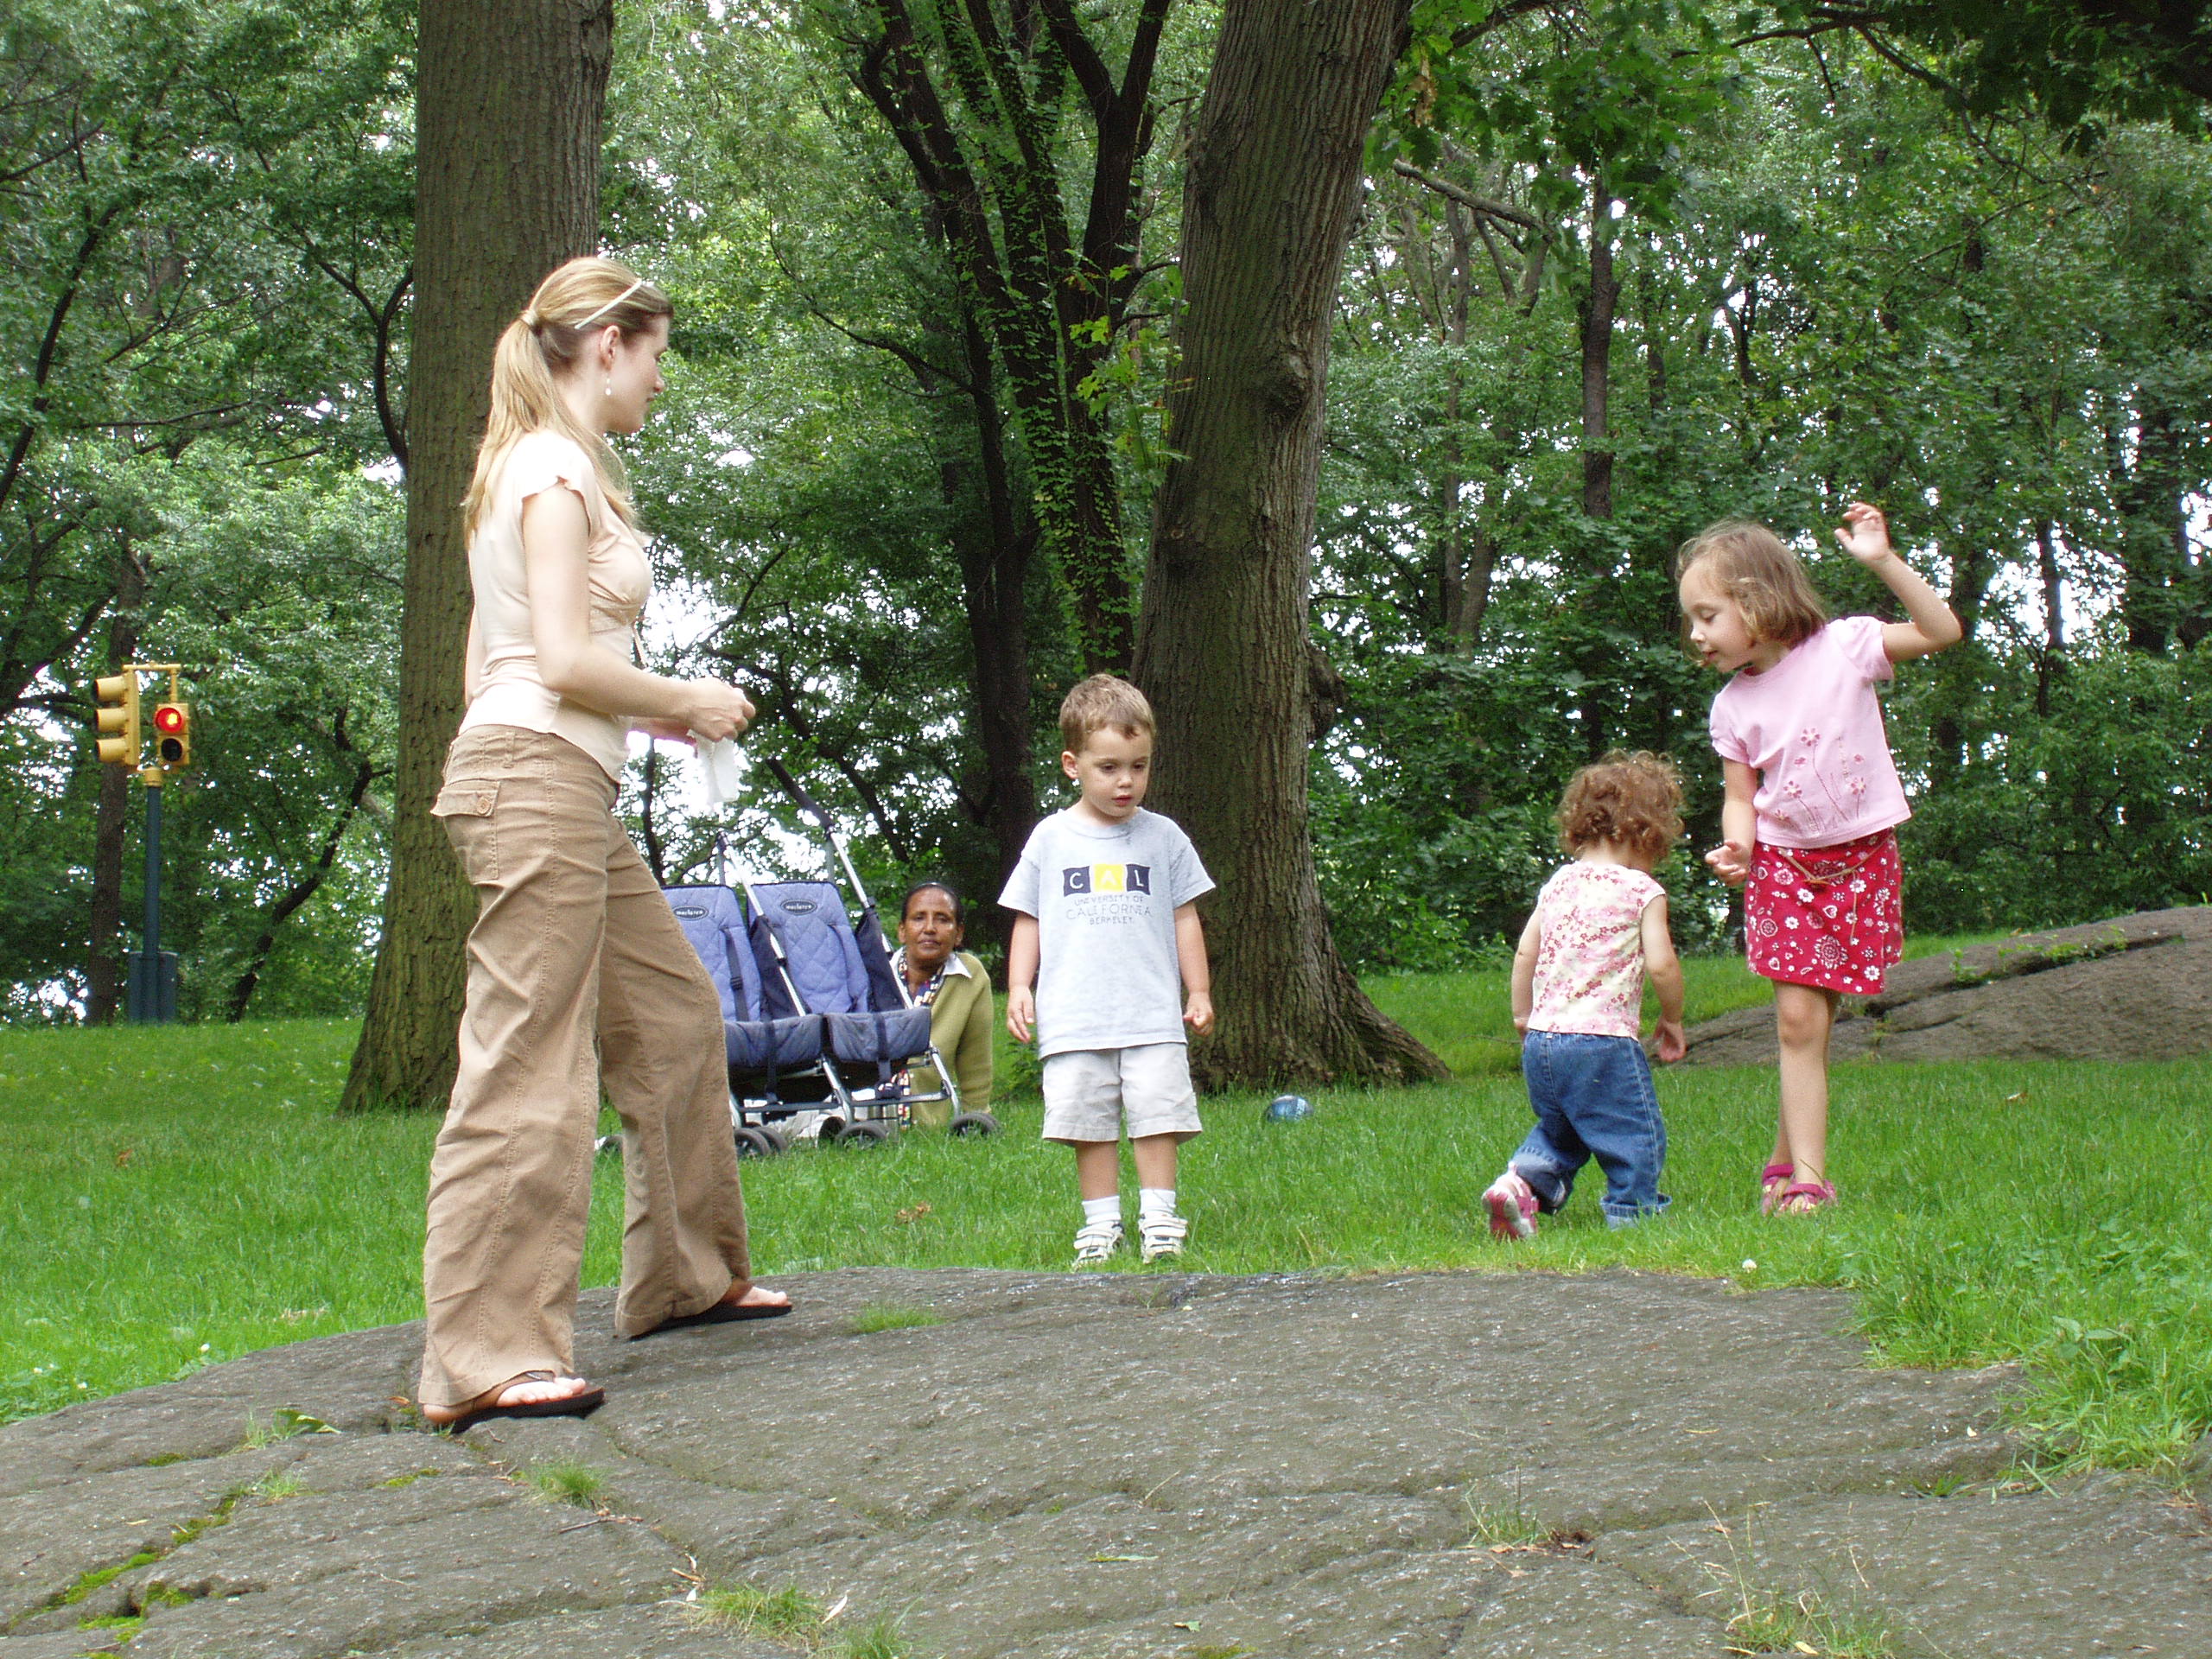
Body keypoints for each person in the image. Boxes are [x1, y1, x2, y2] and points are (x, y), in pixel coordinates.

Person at [418, 257, 788, 1434]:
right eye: (658, 355)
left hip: (551, 776)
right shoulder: (554, 465)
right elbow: (562, 662)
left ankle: (683, 1277)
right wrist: (687, 699)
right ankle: (486, 1355)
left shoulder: (525, 466)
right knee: (530, 1064)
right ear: (609, 344)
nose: (661, 381)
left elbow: (495, 664)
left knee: (673, 1017)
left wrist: (640, 723)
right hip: (536, 784)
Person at [1679, 503, 1962, 1216]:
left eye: (1708, 615)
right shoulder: (1730, 708)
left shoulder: (1846, 647)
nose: (1695, 634)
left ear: (1757, 600)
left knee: (1814, 1021)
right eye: (1692, 620)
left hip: (1862, 859)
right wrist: (1738, 844)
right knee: (1799, 1022)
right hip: (1782, 867)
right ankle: (1810, 1181)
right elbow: (1740, 796)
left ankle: (1782, 1166)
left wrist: (1881, 561)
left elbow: (1942, 631)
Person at [1001, 675, 1215, 1265]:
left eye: (1139, 767)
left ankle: (1160, 1220)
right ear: (1073, 765)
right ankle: (1101, 1226)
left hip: (1150, 1013)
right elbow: (1028, 919)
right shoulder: (1050, 839)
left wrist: (1198, 990)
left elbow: (1185, 918)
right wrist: (1019, 985)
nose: (1126, 781)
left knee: (1157, 1116)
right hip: (1075, 1017)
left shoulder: (1164, 837)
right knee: (1087, 1123)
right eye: (1109, 767)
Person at [1483, 753, 1688, 1238]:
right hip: (1603, 1042)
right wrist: (1673, 1018)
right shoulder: (1641, 890)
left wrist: (1523, 1015)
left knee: (1562, 1130)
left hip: (1543, 1040)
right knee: (1635, 1133)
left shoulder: (1558, 884)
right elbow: (1662, 964)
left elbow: (1525, 954)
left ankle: (1518, 1187)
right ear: (1643, 832)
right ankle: (1634, 1216)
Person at [889, 880, 994, 1127]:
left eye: (942, 919)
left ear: (958, 934)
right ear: (902, 930)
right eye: (918, 918)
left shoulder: (969, 976)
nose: (929, 928)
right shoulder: (876, 973)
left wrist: (976, 1120)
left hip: (927, 1124)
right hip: (863, 1112)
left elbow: (976, 1061)